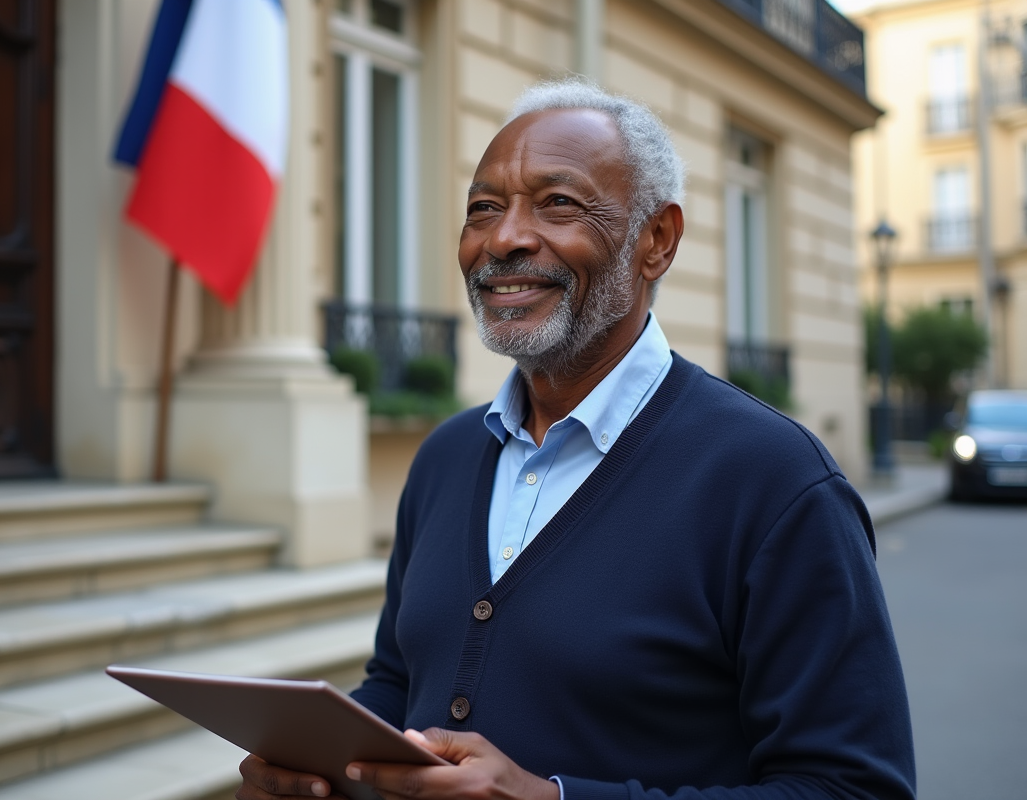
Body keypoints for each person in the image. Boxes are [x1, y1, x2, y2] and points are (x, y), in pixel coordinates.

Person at [237, 79, 916, 800]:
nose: (503, 239)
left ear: (656, 241)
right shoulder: (445, 457)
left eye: (558, 203)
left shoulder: (774, 481)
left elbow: (852, 788)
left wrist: (554, 798)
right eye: (483, 209)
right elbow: (402, 682)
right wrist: (318, 763)